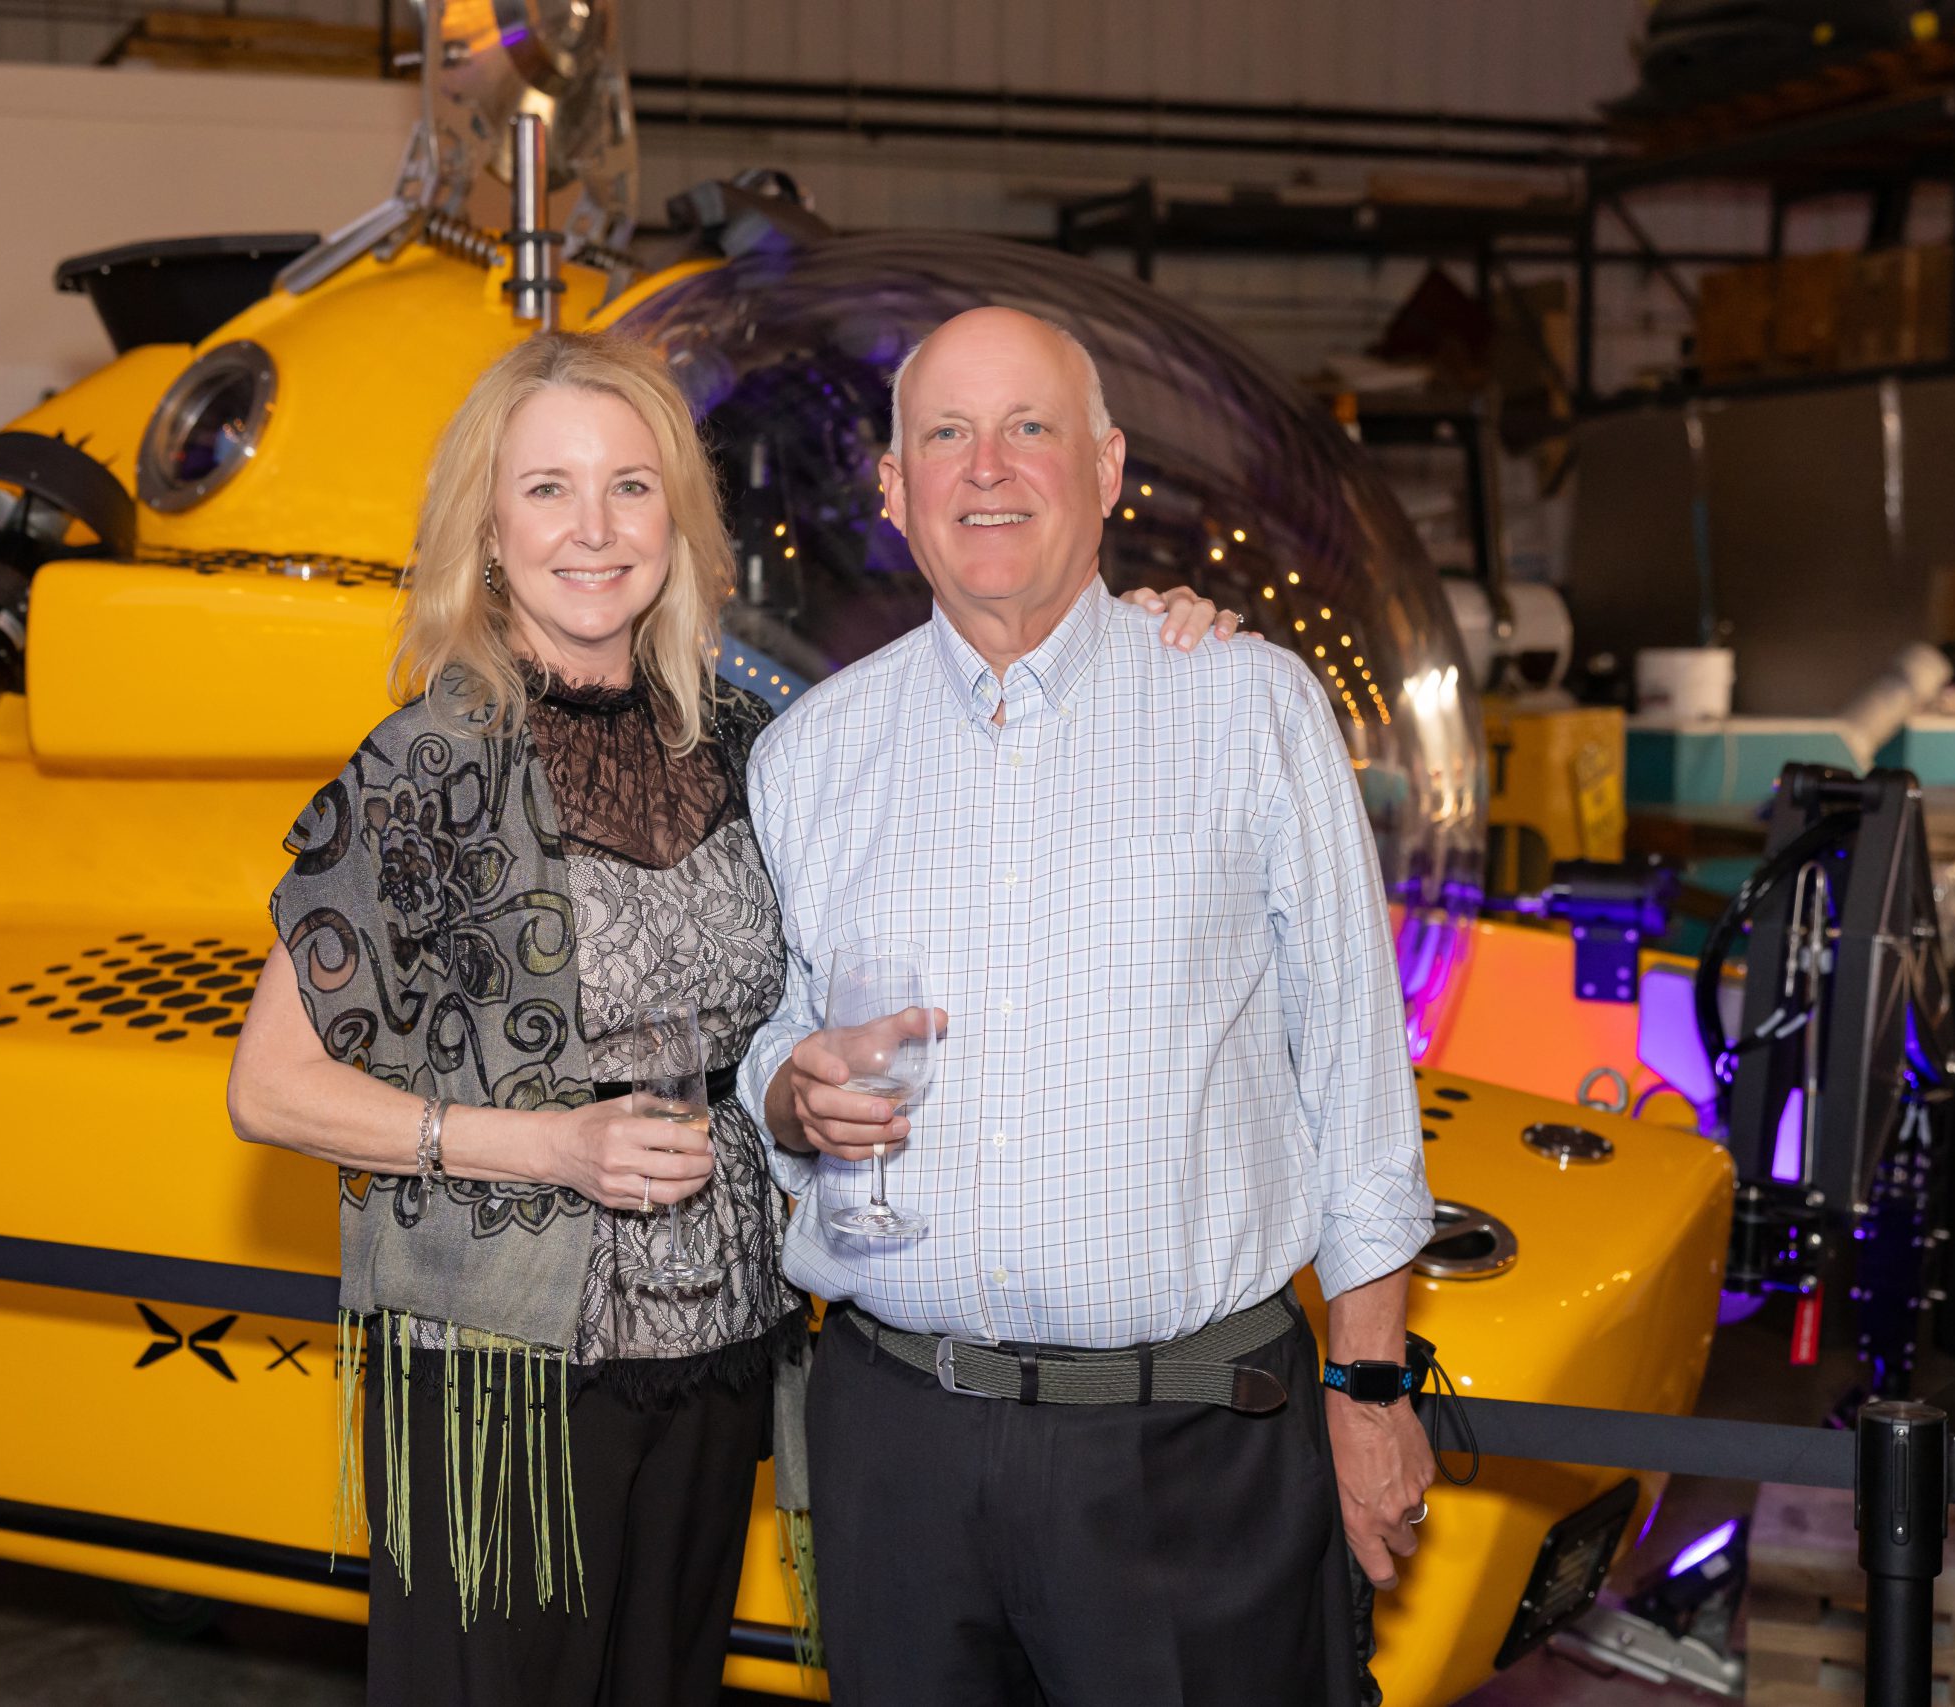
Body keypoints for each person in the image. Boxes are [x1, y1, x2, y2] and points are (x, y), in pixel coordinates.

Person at [225, 328, 1238, 1707]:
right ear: (489, 530)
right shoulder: (428, 769)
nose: (594, 529)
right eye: (547, 490)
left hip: (717, 1348)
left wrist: (1139, 628)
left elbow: (963, 717)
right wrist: (552, 1148)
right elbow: (271, 1086)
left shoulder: (745, 747)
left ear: (679, 522)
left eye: (631, 486)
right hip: (508, 1370)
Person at [740, 306, 1437, 1707]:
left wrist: (1371, 1392)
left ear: (1108, 468)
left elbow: (1357, 1075)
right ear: (894, 490)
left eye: (1030, 428)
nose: (988, 467)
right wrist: (788, 1090)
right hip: (896, 1450)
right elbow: (776, 1031)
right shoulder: (811, 754)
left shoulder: (1249, 709)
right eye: (947, 434)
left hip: (1187, 1451)